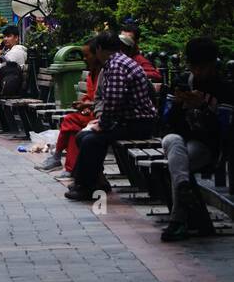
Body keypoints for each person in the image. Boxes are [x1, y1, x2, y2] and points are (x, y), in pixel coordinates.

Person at [65, 30, 158, 201]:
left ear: (99, 48)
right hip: (128, 120)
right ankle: (93, 182)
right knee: (84, 136)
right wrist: (101, 121)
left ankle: (86, 187)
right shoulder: (118, 62)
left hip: (137, 123)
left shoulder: (116, 66)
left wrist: (103, 123)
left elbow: (113, 101)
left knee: (90, 139)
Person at [160, 37, 234, 242]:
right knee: (173, 142)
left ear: (213, 64)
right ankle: (183, 194)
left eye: (203, 67)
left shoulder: (224, 90)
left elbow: (223, 132)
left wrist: (203, 107)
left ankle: (177, 220)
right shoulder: (182, 82)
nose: (198, 72)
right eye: (194, 67)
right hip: (179, 142)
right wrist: (177, 104)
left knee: (178, 165)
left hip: (205, 147)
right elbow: (167, 125)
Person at [37, 39, 101, 173]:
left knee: (69, 120)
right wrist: (84, 104)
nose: (84, 59)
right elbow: (91, 97)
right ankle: (70, 168)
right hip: (92, 113)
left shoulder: (104, 73)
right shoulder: (92, 73)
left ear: (98, 54)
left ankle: (57, 157)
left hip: (102, 117)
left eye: (87, 55)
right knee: (72, 130)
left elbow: (104, 100)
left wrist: (87, 105)